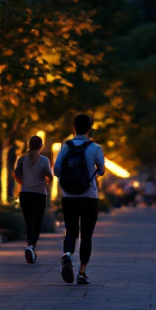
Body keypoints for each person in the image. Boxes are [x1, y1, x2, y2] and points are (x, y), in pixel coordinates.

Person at [54, 114, 105, 285]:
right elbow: (102, 171)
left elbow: (56, 170)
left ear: (73, 127)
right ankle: (82, 272)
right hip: (89, 196)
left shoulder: (66, 147)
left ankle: (67, 254)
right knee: (87, 235)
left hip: (69, 197)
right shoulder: (95, 148)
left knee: (71, 231)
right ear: (90, 128)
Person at [14, 136, 52, 264]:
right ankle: (31, 246)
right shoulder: (44, 160)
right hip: (39, 193)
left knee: (28, 221)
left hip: (25, 193)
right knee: (37, 222)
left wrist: (23, 182)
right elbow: (50, 175)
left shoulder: (22, 159)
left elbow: (15, 173)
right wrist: (47, 181)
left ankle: (30, 245)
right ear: (41, 146)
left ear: (29, 145)